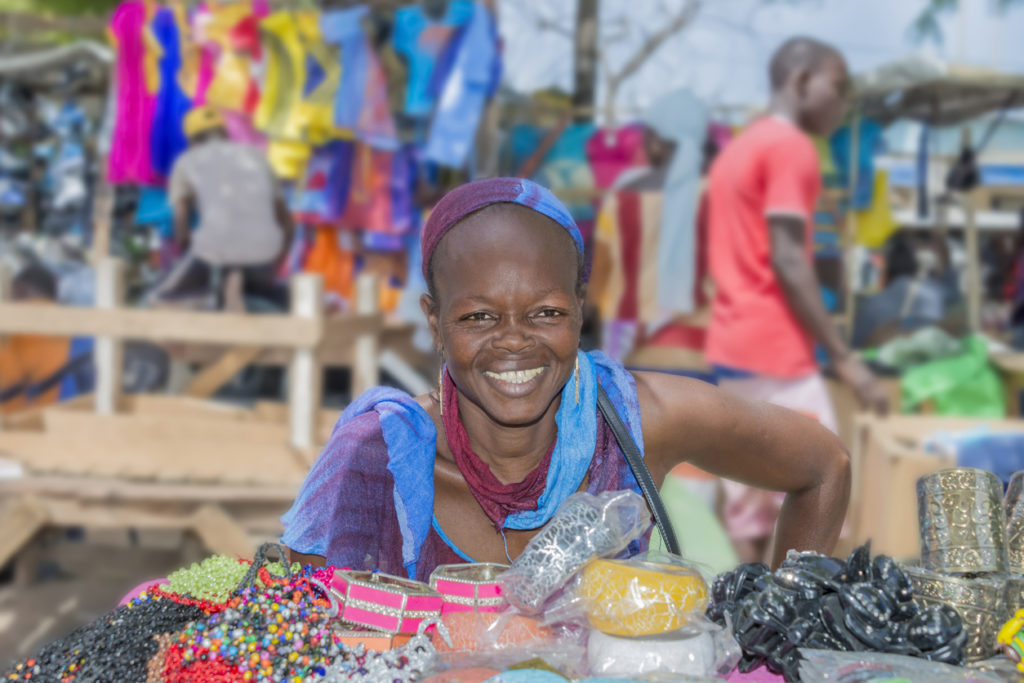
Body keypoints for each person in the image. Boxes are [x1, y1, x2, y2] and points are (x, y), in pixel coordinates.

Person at [282, 177, 850, 580]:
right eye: (477, 317)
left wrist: (782, 623)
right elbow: (296, 634)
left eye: (546, 313)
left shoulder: (637, 423)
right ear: (434, 321)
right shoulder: (378, 455)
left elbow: (824, 466)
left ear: (580, 308)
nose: (512, 340)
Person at [705, 37, 889, 562]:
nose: (844, 102)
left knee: (751, 510)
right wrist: (846, 358)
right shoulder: (790, 148)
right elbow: (788, 258)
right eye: (839, 85)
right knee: (823, 490)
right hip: (778, 351)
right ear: (802, 80)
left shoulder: (738, 149)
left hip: (735, 345)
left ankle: (750, 631)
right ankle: (801, 636)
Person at [588, 88, 709, 361]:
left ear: (656, 140)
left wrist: (592, 316)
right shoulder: (716, 193)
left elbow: (602, 270)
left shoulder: (625, 191)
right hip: (699, 338)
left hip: (628, 337)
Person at [150, 105, 294, 309]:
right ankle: (263, 297)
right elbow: (287, 224)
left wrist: (188, 269)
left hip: (215, 255)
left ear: (190, 141)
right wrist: (274, 263)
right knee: (261, 296)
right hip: (264, 255)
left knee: (161, 300)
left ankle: (214, 299)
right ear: (226, 134)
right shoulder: (257, 157)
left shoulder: (185, 162)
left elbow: (181, 232)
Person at [0, 264, 92, 414]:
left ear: (20, 289)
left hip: (26, 426)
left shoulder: (14, 327)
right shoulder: (78, 327)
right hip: (77, 419)